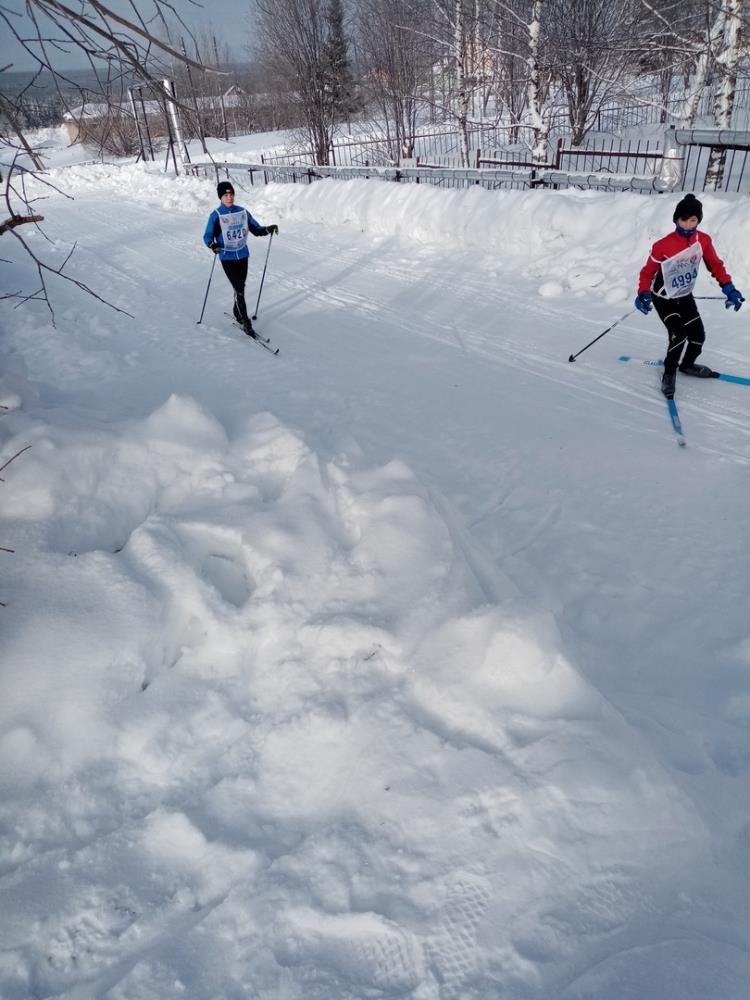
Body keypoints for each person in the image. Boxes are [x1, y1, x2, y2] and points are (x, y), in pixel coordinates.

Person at [634, 192, 744, 398]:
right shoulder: (663, 245)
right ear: (676, 219)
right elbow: (647, 273)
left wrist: (730, 289)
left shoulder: (703, 241)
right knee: (679, 335)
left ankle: (687, 365)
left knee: (698, 336)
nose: (687, 224)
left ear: (698, 220)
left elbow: (716, 266)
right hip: (663, 298)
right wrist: (643, 293)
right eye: (683, 219)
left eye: (693, 220)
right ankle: (669, 372)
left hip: (684, 295)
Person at [203, 181, 278, 336]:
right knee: (239, 288)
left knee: (240, 286)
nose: (229, 197)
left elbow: (255, 229)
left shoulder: (242, 212)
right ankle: (245, 321)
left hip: (243, 255)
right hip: (227, 256)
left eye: (231, 194)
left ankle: (237, 310)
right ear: (220, 197)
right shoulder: (216, 215)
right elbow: (207, 236)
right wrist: (212, 245)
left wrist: (267, 229)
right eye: (225, 195)